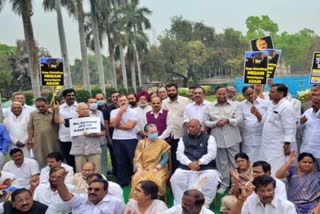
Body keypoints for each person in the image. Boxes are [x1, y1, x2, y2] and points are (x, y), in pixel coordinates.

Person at [170, 119, 219, 207]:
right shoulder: (183, 139)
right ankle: (181, 202)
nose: (190, 129)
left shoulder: (209, 138)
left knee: (211, 177)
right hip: (187, 166)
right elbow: (179, 154)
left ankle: (205, 203)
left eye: (193, 127)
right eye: (188, 127)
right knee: (176, 177)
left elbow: (212, 154)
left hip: (205, 167)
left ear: (200, 127)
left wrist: (200, 162)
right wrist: (189, 163)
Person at [203, 86, 243, 193]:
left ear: (227, 94)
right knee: (222, 163)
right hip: (217, 140)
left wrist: (228, 120)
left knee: (236, 162)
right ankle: (224, 184)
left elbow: (239, 119)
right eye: (219, 94)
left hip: (233, 139)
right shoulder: (209, 106)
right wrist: (215, 123)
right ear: (215, 94)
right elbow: (205, 122)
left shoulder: (235, 105)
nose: (221, 96)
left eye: (224, 94)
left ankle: (236, 184)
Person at [54, 102, 105, 173]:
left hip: (93, 149)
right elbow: (58, 120)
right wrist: (56, 111)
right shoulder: (73, 121)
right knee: (80, 171)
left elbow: (103, 132)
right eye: (82, 109)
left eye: (86, 109)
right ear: (77, 111)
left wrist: (93, 134)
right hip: (79, 150)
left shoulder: (95, 120)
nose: (85, 110)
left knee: (96, 170)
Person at [260, 84, 296, 175]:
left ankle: (277, 188)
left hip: (278, 146)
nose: (269, 94)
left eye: (272, 92)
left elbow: (289, 128)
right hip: (267, 144)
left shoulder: (286, 107)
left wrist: (287, 146)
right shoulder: (271, 104)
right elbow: (266, 120)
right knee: (266, 166)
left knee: (276, 169)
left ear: (281, 93)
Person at [55, 168, 125, 214]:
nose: (92, 192)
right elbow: (66, 197)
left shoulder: (115, 202)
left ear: (105, 192)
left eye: (97, 190)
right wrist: (60, 182)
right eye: (90, 189)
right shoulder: (81, 199)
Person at [131, 123, 170, 197]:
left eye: (156, 132)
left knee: (155, 180)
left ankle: (153, 199)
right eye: (152, 132)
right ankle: (139, 198)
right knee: (137, 179)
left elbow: (165, 158)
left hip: (159, 168)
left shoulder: (162, 143)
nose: (155, 134)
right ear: (145, 133)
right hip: (144, 168)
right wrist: (139, 169)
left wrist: (156, 168)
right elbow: (137, 158)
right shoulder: (141, 143)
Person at [110, 95, 138, 186]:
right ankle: (123, 182)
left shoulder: (134, 111)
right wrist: (120, 112)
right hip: (117, 140)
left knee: (132, 160)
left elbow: (130, 126)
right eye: (120, 101)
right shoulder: (114, 112)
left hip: (131, 139)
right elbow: (113, 124)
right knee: (120, 161)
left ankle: (135, 179)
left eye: (124, 100)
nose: (123, 102)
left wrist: (117, 125)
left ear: (128, 101)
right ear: (117, 102)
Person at [229, 176, 296, 214]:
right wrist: (242, 197)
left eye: (269, 190)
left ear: (274, 189)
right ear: (255, 192)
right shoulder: (250, 201)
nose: (266, 194)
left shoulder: (287, 206)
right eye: (262, 191)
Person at [162, 83, 190, 173]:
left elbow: (188, 115)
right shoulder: (164, 102)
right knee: (173, 156)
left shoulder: (185, 100)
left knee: (183, 154)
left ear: (176, 90)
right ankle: (173, 174)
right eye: (169, 91)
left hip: (183, 132)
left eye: (173, 90)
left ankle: (184, 173)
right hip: (171, 134)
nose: (171, 92)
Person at [239, 86, 269, 162]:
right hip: (247, 137)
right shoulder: (240, 105)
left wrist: (257, 114)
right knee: (248, 159)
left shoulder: (265, 103)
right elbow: (240, 120)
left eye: (252, 93)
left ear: (255, 92)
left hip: (262, 136)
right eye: (247, 94)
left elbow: (266, 120)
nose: (251, 96)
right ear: (244, 96)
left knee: (262, 159)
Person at [28, 97, 60, 167]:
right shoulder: (33, 114)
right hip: (39, 141)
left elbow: (57, 122)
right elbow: (31, 128)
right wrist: (30, 140)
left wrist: (56, 111)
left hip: (53, 141)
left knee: (54, 157)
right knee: (41, 158)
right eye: (38, 107)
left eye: (42, 106)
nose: (40, 108)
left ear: (47, 104)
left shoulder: (53, 112)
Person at [57, 88, 78, 170]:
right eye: (69, 95)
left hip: (77, 137)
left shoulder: (80, 107)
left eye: (73, 95)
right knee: (69, 159)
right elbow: (57, 121)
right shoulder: (59, 108)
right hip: (65, 138)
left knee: (78, 158)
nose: (71, 97)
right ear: (64, 97)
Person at [298, 95, 320, 169]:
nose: (313, 105)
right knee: (309, 177)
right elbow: (298, 129)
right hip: (307, 150)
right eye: (313, 102)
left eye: (316, 103)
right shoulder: (308, 111)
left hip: (318, 152)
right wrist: (301, 123)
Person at [87, 97, 108, 176]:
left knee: (103, 159)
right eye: (91, 102)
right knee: (93, 161)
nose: (93, 104)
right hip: (92, 141)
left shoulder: (100, 113)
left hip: (102, 140)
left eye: (95, 102)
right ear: (87, 104)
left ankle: (104, 176)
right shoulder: (86, 114)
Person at [103, 90, 120, 176]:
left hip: (125, 137)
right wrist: (108, 138)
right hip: (112, 136)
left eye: (117, 96)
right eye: (113, 97)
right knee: (114, 156)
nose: (115, 98)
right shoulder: (107, 110)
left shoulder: (127, 108)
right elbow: (106, 125)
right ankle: (116, 173)